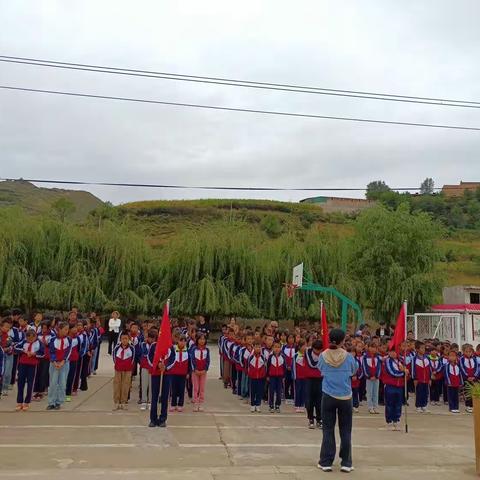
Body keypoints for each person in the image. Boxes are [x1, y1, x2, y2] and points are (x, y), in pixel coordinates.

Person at [317, 328, 357, 473]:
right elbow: (354, 370)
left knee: (328, 429)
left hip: (328, 395)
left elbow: (320, 369)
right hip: (345, 396)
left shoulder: (323, 355)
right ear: (342, 341)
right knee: (346, 431)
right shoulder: (348, 356)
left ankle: (326, 461)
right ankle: (346, 462)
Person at [14, 329, 44, 411]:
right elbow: (15, 347)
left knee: (30, 383)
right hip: (22, 364)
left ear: (36, 337)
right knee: (20, 383)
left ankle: (27, 402)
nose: (30, 340)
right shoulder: (24, 342)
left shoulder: (39, 343)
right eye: (28, 339)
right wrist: (24, 351)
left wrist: (34, 354)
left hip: (33, 365)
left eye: (32, 339)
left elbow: (42, 354)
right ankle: (19, 402)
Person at [148, 340, 175, 427]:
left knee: (164, 397)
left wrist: (166, 367)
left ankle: (163, 419)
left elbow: (173, 359)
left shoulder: (170, 347)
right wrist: (157, 365)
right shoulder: (153, 346)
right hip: (156, 374)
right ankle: (153, 419)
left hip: (166, 375)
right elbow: (149, 358)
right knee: (154, 397)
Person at [47, 321, 72, 410]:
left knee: (62, 383)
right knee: (53, 383)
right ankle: (51, 402)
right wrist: (54, 362)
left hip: (64, 364)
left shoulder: (68, 339)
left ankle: (59, 402)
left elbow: (68, 352)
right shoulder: (52, 339)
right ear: (59, 329)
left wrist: (63, 362)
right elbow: (51, 351)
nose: (67, 331)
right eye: (65, 329)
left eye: (67, 329)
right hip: (54, 364)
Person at [383, 347, 406, 430]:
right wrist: (403, 373)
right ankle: (389, 421)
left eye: (395, 351)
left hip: (399, 385)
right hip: (390, 385)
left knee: (398, 403)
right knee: (390, 403)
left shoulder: (401, 361)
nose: (393, 353)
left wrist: (405, 371)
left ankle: (396, 419)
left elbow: (407, 371)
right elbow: (392, 372)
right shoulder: (387, 361)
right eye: (391, 352)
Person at [112, 331, 135, 410]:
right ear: (120, 339)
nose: (124, 340)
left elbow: (133, 359)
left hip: (128, 369)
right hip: (118, 369)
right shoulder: (117, 347)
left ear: (129, 339)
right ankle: (116, 402)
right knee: (117, 385)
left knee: (126, 385)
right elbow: (114, 357)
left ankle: (123, 402)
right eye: (123, 339)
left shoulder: (132, 348)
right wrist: (117, 365)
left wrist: (129, 366)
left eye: (126, 339)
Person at [305, 339, 323, 429]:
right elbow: (312, 364)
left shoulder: (324, 353)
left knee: (319, 400)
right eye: (317, 350)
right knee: (310, 400)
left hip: (320, 379)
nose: (318, 352)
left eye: (320, 350)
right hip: (310, 379)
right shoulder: (308, 352)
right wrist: (321, 361)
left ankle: (319, 419)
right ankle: (311, 418)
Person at [169, 335, 190, 412]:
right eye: (181, 341)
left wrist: (188, 372)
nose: (182, 343)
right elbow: (170, 360)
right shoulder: (173, 349)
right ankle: (173, 404)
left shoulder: (188, 351)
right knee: (173, 389)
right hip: (173, 373)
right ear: (178, 341)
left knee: (181, 390)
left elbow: (189, 363)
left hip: (183, 374)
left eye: (184, 341)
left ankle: (180, 404)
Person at [190, 333, 210, 411]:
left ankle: (201, 403)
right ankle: (195, 402)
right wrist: (195, 369)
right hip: (195, 372)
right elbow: (192, 360)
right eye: (200, 339)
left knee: (202, 388)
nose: (202, 341)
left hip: (203, 372)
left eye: (203, 339)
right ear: (197, 340)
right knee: (196, 388)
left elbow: (208, 360)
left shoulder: (207, 350)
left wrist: (205, 369)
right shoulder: (194, 349)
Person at [362, 342, 381, 414]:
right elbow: (364, 367)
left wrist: (376, 376)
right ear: (368, 348)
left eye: (375, 348)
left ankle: (375, 407)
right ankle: (370, 407)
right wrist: (369, 376)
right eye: (371, 347)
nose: (373, 349)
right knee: (369, 392)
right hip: (369, 378)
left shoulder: (377, 357)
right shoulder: (365, 357)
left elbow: (379, 368)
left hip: (376, 378)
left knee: (375, 393)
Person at [412, 341, 431, 412]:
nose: (423, 350)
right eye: (421, 348)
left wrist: (429, 378)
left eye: (424, 348)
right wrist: (415, 378)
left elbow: (429, 368)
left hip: (426, 379)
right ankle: (418, 406)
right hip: (419, 379)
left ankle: (424, 405)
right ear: (417, 349)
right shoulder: (414, 358)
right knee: (419, 392)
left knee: (425, 392)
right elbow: (413, 369)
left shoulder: (427, 358)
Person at [139, 329, 156, 410]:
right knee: (144, 384)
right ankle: (144, 401)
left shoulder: (156, 345)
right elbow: (145, 354)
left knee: (152, 385)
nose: (151, 340)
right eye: (150, 338)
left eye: (153, 338)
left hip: (153, 367)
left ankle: (150, 401)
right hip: (145, 366)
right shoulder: (143, 344)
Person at [266, 340, 286, 413]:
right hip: (272, 377)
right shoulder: (270, 357)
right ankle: (271, 405)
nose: (277, 349)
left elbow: (284, 367)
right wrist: (267, 375)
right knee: (271, 391)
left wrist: (284, 376)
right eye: (275, 347)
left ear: (280, 348)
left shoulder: (283, 357)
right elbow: (268, 367)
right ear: (272, 348)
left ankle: (277, 405)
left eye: (278, 347)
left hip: (280, 377)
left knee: (279, 391)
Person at [247, 340, 266, 413]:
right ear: (253, 347)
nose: (258, 348)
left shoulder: (263, 357)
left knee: (259, 391)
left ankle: (258, 405)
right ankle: (252, 405)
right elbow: (248, 366)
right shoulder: (251, 357)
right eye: (256, 347)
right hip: (253, 377)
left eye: (259, 347)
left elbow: (265, 367)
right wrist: (249, 374)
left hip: (261, 377)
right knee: (252, 391)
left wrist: (264, 375)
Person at [292, 340, 307, 413]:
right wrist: (294, 376)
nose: (305, 347)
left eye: (305, 346)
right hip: (298, 377)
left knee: (304, 391)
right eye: (303, 346)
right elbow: (294, 367)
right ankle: (297, 405)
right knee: (298, 391)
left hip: (305, 377)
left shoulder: (307, 355)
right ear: (299, 347)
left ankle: (302, 405)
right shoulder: (295, 355)